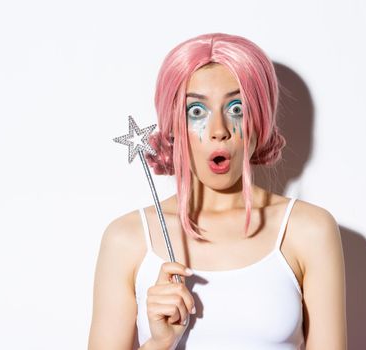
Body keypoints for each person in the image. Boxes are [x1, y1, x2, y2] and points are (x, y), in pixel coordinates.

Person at [88, 33, 347, 350]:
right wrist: (159, 342)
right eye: (196, 111)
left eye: (237, 108)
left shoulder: (308, 230)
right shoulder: (126, 238)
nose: (219, 131)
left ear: (260, 120)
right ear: (174, 125)